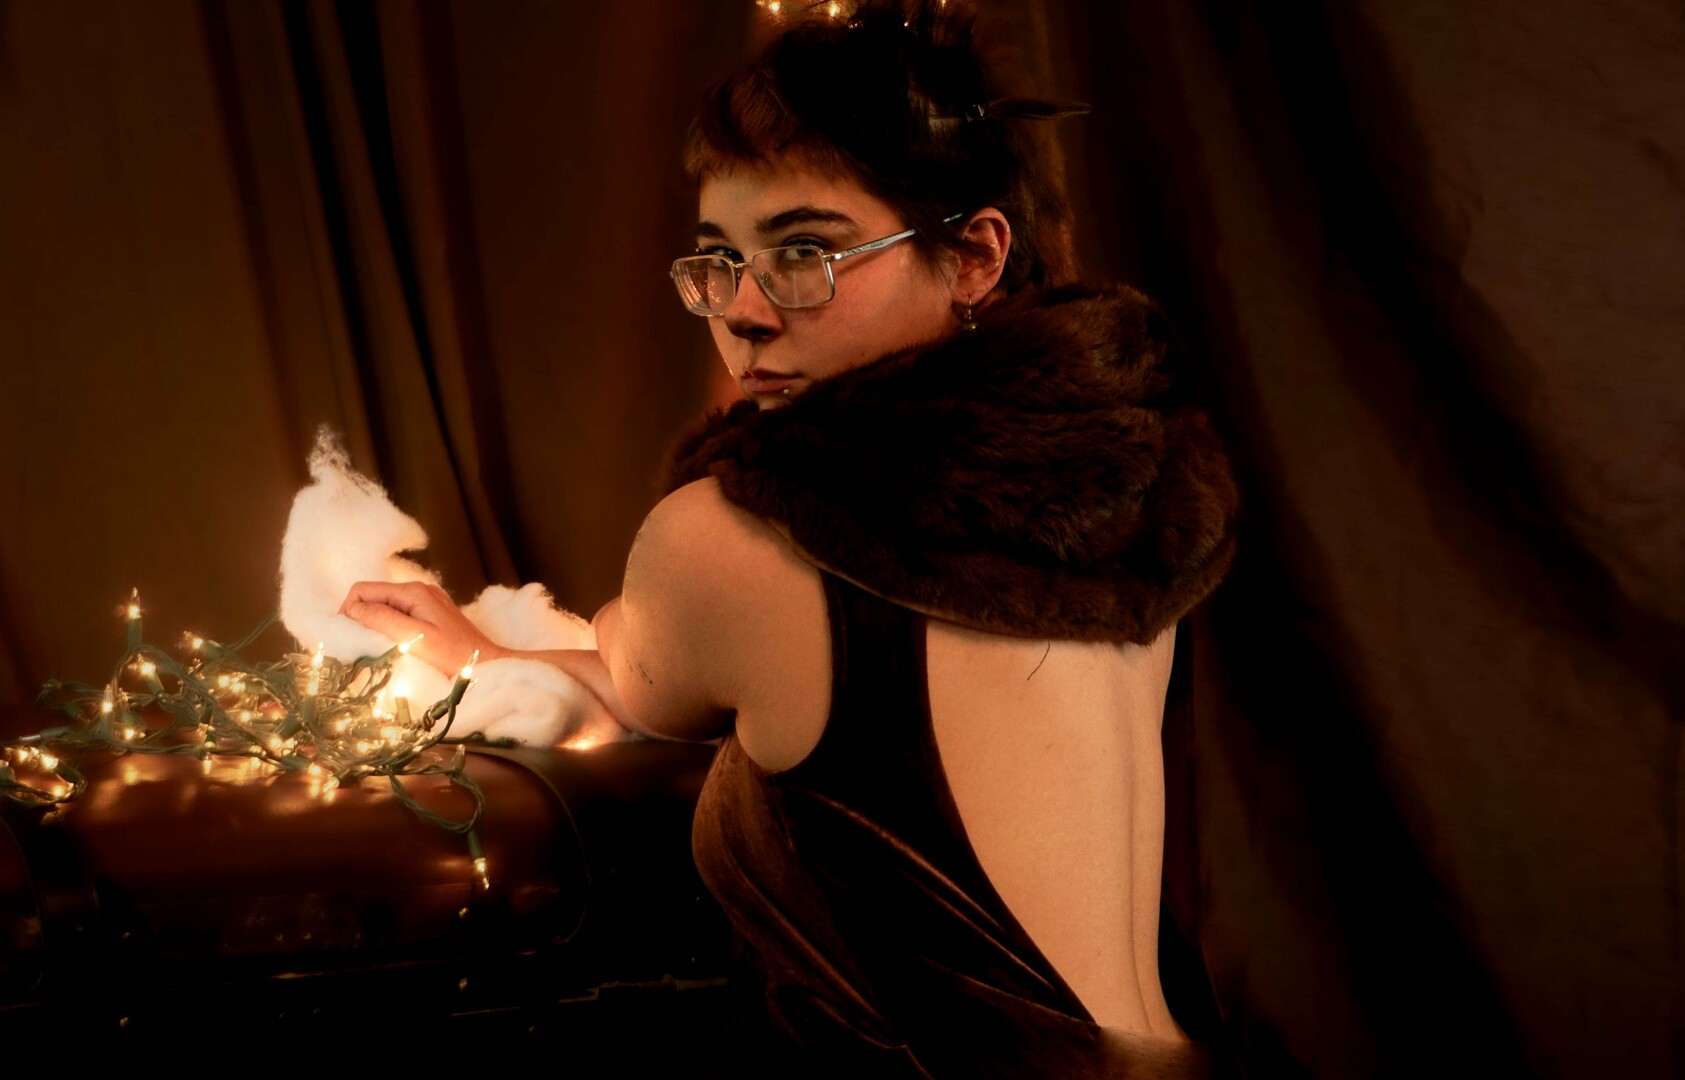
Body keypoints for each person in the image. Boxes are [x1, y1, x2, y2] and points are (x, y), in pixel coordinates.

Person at [340, 1, 1238, 1073]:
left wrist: (475, 655)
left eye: (806, 251)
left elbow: (642, 671)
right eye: (719, 259)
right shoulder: (1124, 488)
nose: (745, 312)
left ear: (972, 255)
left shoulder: (731, 541)